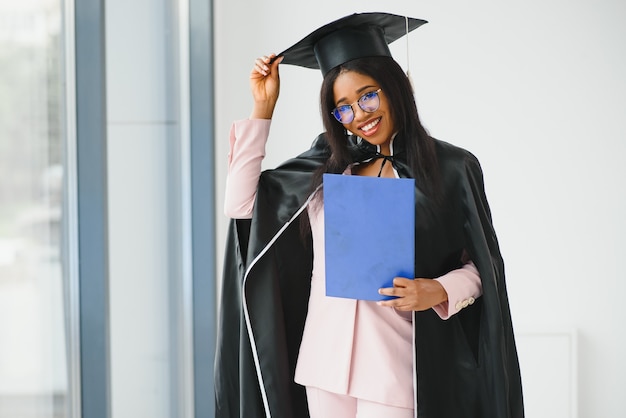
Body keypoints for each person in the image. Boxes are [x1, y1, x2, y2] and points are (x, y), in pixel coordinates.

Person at [214, 12, 524, 418]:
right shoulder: (326, 168)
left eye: (368, 96)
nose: (359, 115)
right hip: (323, 364)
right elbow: (240, 204)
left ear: (396, 86)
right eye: (343, 108)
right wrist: (263, 108)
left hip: (394, 366)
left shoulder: (451, 167)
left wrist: (437, 290)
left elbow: (483, 267)